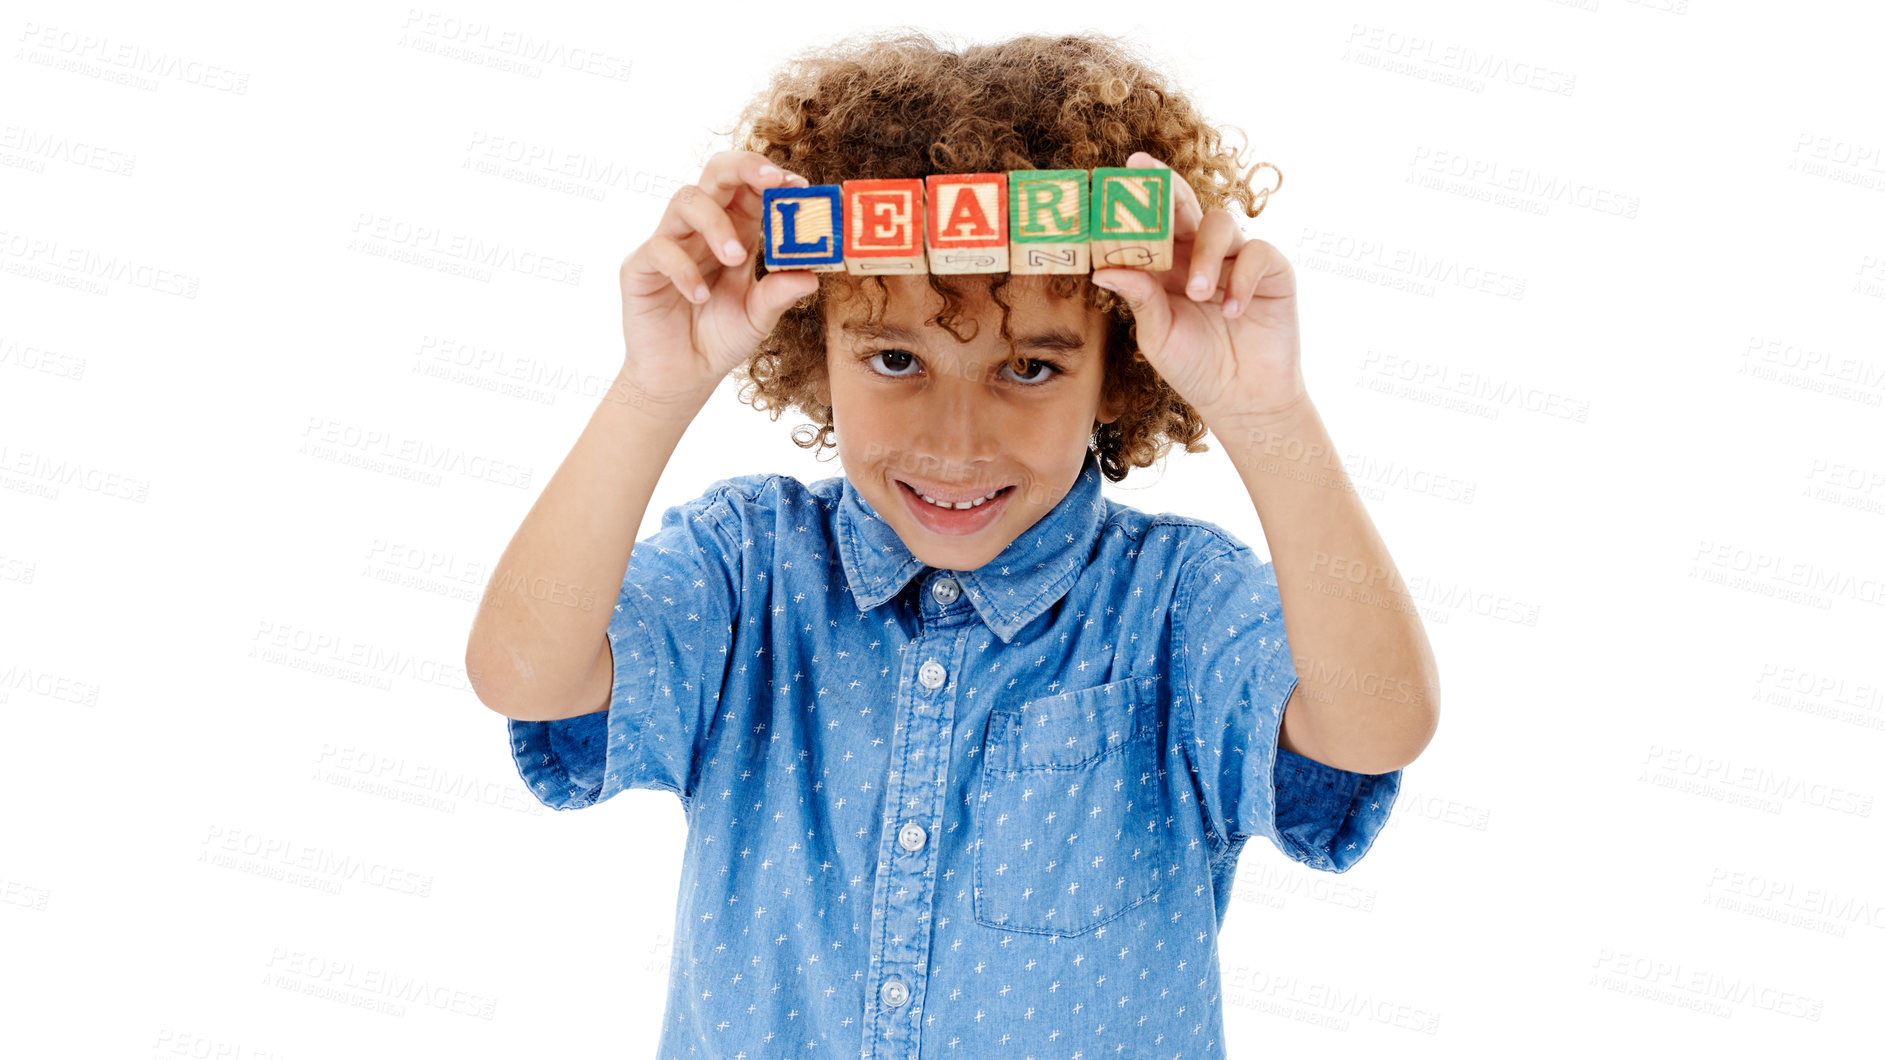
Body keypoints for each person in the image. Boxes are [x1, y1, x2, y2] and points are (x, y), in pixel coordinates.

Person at [466, 28, 1439, 1059]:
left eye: (1028, 368)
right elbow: (525, 670)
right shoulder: (750, 567)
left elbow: (1373, 727)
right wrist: (654, 389)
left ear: (1119, 369)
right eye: (895, 356)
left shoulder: (1175, 604)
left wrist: (1267, 412)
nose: (956, 442)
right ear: (814, 348)